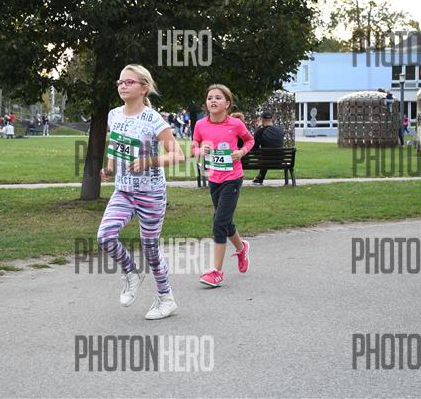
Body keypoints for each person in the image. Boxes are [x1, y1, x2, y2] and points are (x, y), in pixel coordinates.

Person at [98, 64, 184, 319]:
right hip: (123, 191)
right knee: (105, 236)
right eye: (120, 82)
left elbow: (178, 155)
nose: (122, 86)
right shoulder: (114, 115)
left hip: (150, 192)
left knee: (150, 249)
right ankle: (131, 273)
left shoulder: (153, 119)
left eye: (129, 82)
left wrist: (149, 162)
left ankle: (166, 299)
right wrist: (110, 167)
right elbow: (116, 145)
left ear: (144, 88)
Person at [192, 84, 254, 288]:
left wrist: (241, 152)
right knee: (225, 222)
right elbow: (194, 146)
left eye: (218, 98)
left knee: (219, 222)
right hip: (214, 179)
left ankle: (216, 272)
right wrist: (200, 150)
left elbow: (249, 140)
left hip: (233, 178)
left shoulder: (235, 124)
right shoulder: (200, 125)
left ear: (227, 104)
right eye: (210, 97)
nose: (213, 100)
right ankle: (242, 248)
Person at [251, 110, 285, 185]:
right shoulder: (280, 130)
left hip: (265, 160)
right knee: (267, 154)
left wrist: (259, 128)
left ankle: (260, 177)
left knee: (264, 155)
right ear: (272, 119)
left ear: (262, 119)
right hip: (279, 160)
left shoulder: (260, 131)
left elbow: (254, 147)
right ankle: (259, 177)